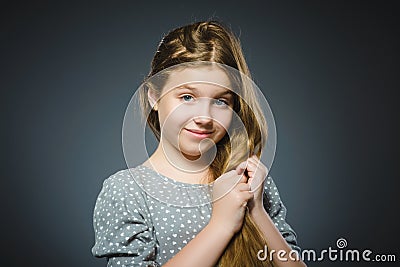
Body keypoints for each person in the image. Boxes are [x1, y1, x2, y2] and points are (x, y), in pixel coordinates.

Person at [92, 21, 306, 267]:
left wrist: (256, 210)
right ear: (154, 96)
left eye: (221, 101)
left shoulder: (249, 180)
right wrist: (221, 225)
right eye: (187, 97)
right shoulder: (127, 191)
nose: (204, 117)